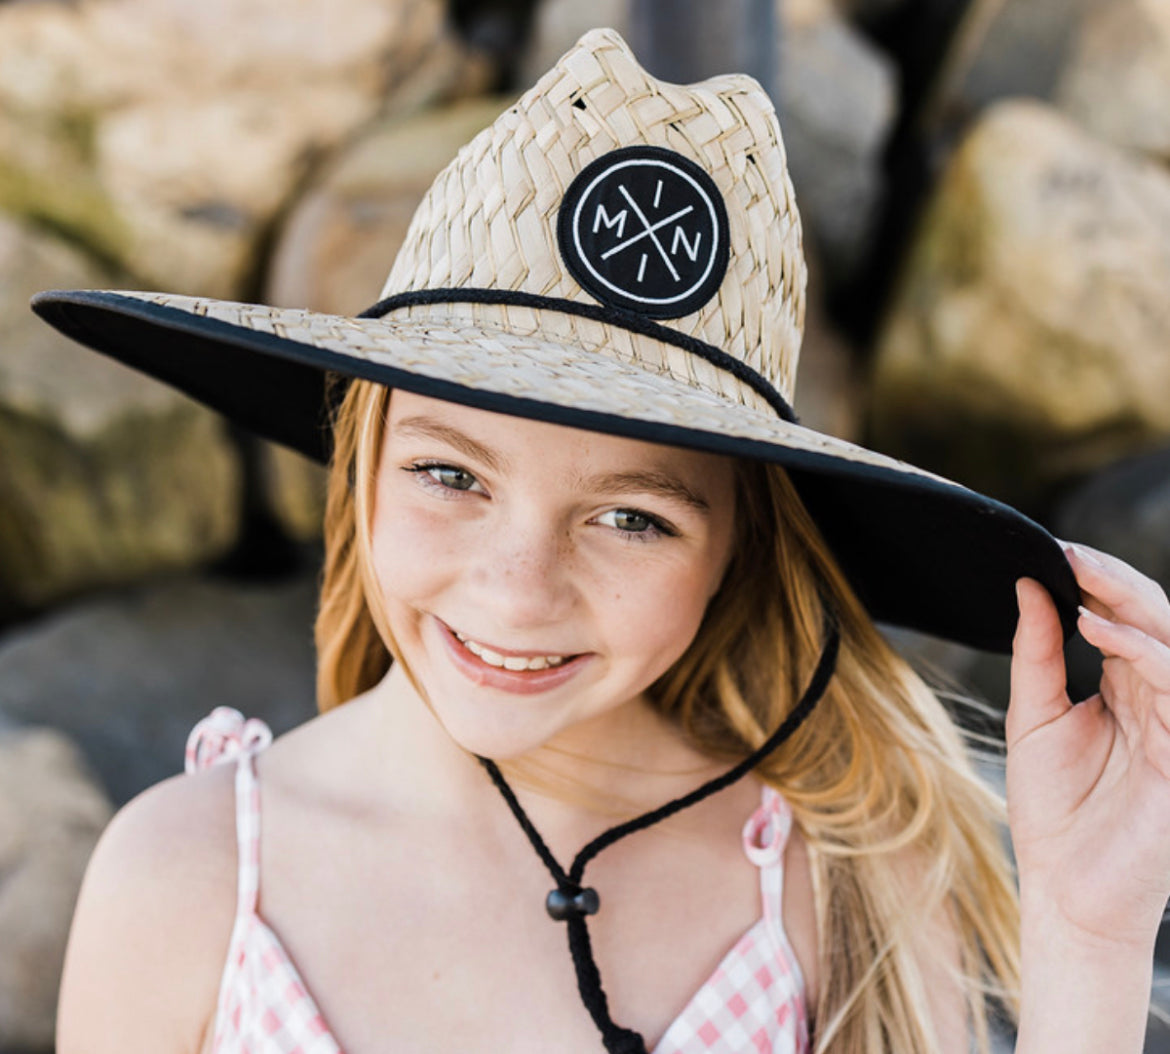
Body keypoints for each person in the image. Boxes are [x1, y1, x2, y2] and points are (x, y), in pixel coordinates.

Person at [35, 28, 1170, 1054]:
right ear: (360, 459)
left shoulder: (839, 888)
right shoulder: (193, 880)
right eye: (450, 474)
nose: (520, 591)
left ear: (741, 545)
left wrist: (1090, 939)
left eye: (633, 517)